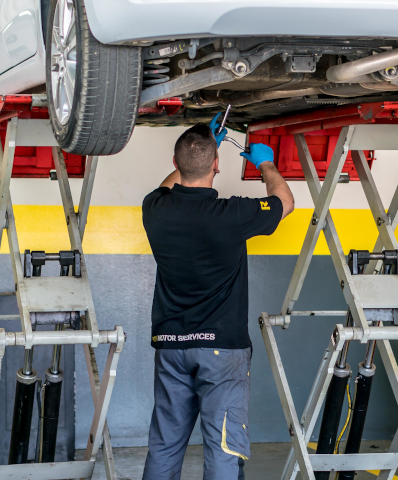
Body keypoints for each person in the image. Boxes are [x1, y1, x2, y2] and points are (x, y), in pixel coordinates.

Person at [141, 114, 294, 480]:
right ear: (217, 166)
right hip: (221, 351)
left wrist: (208, 144)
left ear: (175, 164)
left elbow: (166, 187)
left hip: (172, 346)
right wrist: (266, 164)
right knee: (223, 448)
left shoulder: (155, 210)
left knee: (165, 444)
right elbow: (285, 202)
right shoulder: (233, 214)